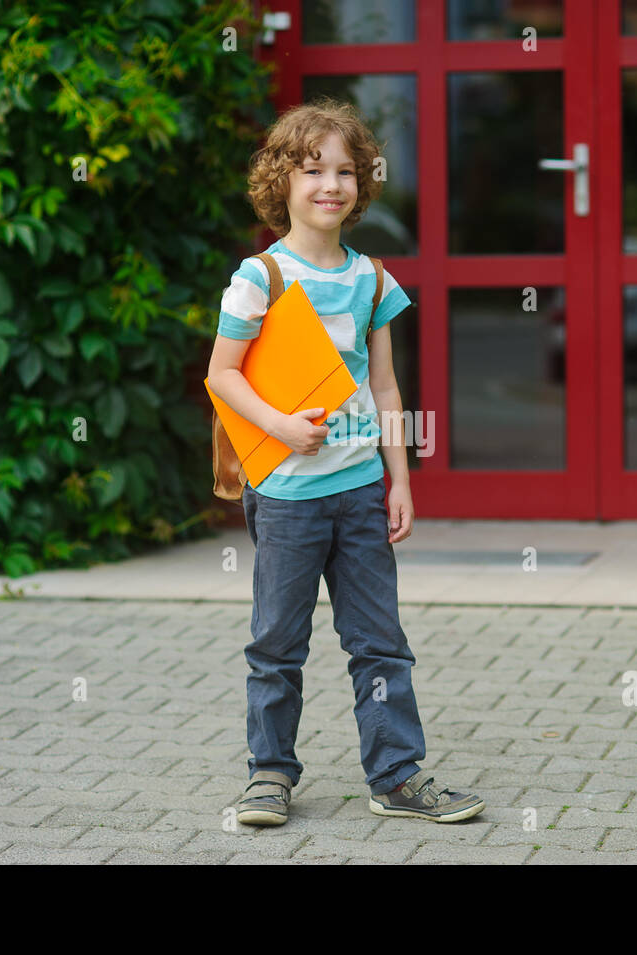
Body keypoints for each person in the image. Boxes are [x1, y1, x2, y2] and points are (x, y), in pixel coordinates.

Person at [207, 97, 485, 825]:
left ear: (361, 184)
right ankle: (268, 774)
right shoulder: (259, 276)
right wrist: (277, 425)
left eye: (345, 171)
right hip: (289, 492)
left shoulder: (371, 279)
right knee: (276, 642)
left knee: (379, 642)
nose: (330, 184)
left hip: (361, 488)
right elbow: (223, 373)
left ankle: (395, 774)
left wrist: (401, 478)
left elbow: (386, 384)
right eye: (312, 170)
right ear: (281, 182)